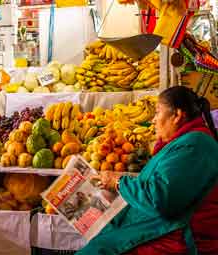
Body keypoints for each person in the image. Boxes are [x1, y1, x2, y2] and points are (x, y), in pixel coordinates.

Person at [76, 86, 218, 255]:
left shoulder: (195, 145)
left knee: (98, 249)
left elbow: (160, 198)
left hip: (175, 234)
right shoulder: (186, 141)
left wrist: (118, 183)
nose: (153, 120)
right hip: (160, 225)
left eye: (158, 112)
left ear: (177, 116)